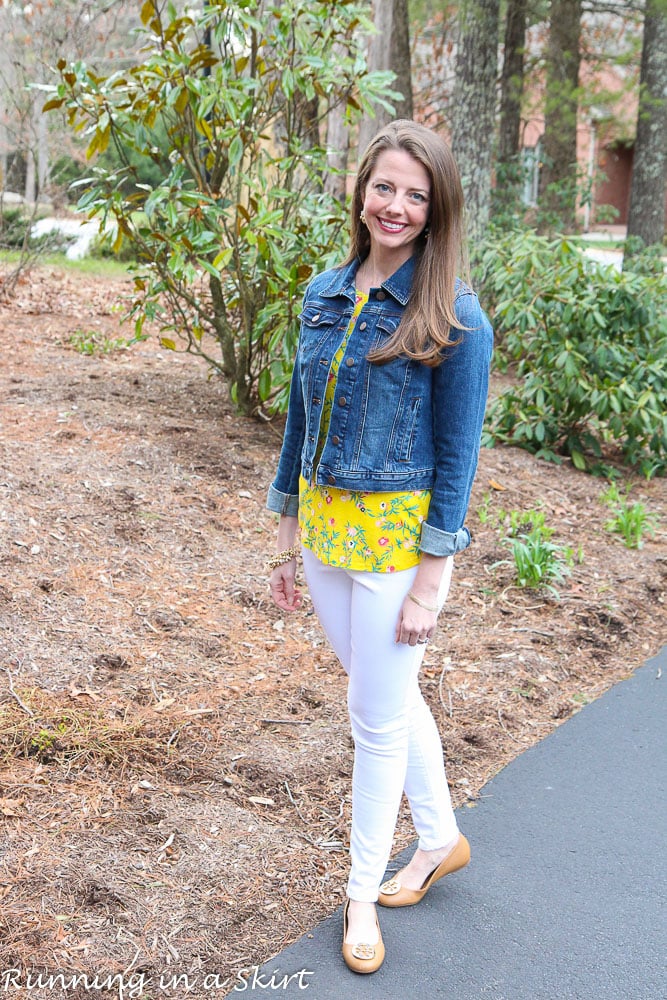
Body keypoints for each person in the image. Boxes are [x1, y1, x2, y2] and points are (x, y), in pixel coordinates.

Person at [266, 119, 493, 974]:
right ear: (361, 190)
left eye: (415, 194)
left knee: (371, 723)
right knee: (384, 698)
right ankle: (439, 837)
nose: (394, 206)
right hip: (324, 533)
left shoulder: (453, 313)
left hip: (397, 548)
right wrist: (286, 535)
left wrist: (433, 582)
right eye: (383, 187)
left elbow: (458, 458)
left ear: (436, 210)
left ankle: (361, 892)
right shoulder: (325, 292)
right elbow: (298, 419)